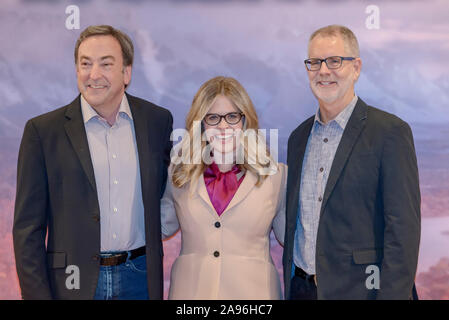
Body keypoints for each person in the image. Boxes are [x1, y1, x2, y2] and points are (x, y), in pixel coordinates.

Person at [13, 25, 172, 300]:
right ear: (76, 70)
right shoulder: (43, 131)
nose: (93, 74)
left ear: (127, 72)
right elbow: (28, 229)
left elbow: (168, 195)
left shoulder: (157, 121)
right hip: (73, 282)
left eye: (106, 64)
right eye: (85, 64)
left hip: (140, 278)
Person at [283, 25, 421, 300]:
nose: (323, 71)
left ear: (356, 68)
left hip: (364, 292)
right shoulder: (297, 138)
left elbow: (403, 231)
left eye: (334, 61)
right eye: (314, 62)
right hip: (302, 290)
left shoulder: (389, 132)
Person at [161, 76, 286, 299]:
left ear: (245, 121)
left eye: (232, 116)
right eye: (213, 118)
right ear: (200, 124)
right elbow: (161, 227)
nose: (223, 126)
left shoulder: (276, 176)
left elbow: (291, 237)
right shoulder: (177, 174)